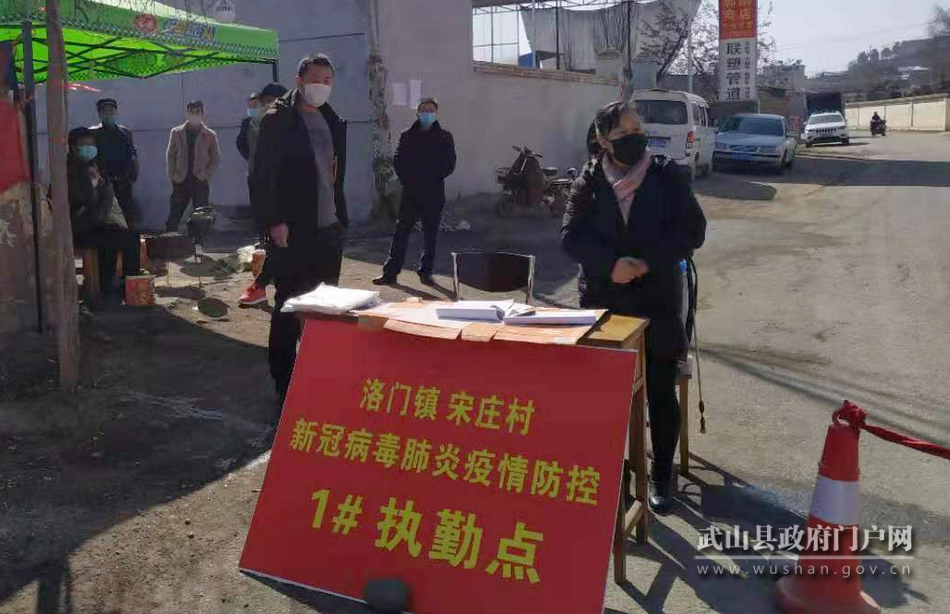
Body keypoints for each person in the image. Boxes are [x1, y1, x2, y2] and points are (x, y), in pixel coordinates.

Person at [561, 101, 706, 514]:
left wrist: (644, 263)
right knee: (608, 396)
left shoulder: (666, 175)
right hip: (604, 302)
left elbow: (693, 231)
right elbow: (570, 237)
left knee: (660, 390)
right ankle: (617, 472)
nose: (635, 139)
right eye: (623, 134)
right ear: (603, 140)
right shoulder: (589, 181)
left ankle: (660, 473)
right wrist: (610, 266)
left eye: (637, 129)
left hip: (656, 299)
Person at [253, 53, 348, 403]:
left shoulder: (331, 119)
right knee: (290, 304)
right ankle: (284, 381)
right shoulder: (278, 120)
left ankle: (317, 373)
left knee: (325, 307)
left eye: (327, 80)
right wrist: (274, 221)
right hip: (292, 228)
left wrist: (340, 219)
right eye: (315, 79)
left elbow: (334, 174)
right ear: (299, 81)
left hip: (328, 227)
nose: (321, 86)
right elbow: (262, 176)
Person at [373, 97, 457, 286]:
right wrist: (408, 179)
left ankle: (426, 272)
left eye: (430, 110)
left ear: (436, 113)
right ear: (417, 113)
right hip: (411, 192)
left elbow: (450, 163)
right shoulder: (408, 136)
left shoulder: (445, 137)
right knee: (401, 232)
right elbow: (398, 159)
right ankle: (390, 273)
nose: (427, 113)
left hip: (433, 192)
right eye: (423, 110)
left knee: (430, 234)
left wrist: (432, 177)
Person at [68, 127, 141, 297]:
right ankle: (122, 286)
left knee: (123, 236)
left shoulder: (93, 166)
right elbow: (80, 201)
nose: (89, 149)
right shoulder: (71, 170)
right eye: (84, 145)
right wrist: (94, 188)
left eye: (91, 145)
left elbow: (106, 193)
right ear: (73, 148)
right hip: (79, 227)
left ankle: (112, 284)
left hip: (95, 222)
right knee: (123, 238)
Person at [238, 83, 288, 306]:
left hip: (287, 189)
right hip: (262, 184)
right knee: (273, 237)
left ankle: (261, 284)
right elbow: (242, 144)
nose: (270, 106)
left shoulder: (292, 124)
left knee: (283, 241)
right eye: (266, 102)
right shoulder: (257, 124)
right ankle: (263, 284)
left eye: (274, 101)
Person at [165, 100, 221, 232]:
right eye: (191, 112)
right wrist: (173, 176)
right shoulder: (176, 132)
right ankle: (169, 239)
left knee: (200, 217)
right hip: (181, 179)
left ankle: (198, 241)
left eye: (197, 112)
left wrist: (206, 174)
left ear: (202, 114)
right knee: (174, 215)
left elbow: (215, 158)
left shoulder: (210, 135)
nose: (194, 115)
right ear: (187, 114)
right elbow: (170, 155)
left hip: (199, 181)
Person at [92, 98, 138, 227]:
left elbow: (132, 156)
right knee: (105, 217)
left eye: (111, 110)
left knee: (127, 216)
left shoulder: (125, 133)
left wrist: (131, 177)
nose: (109, 114)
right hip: (103, 183)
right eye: (105, 111)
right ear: (100, 114)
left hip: (123, 183)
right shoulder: (93, 133)